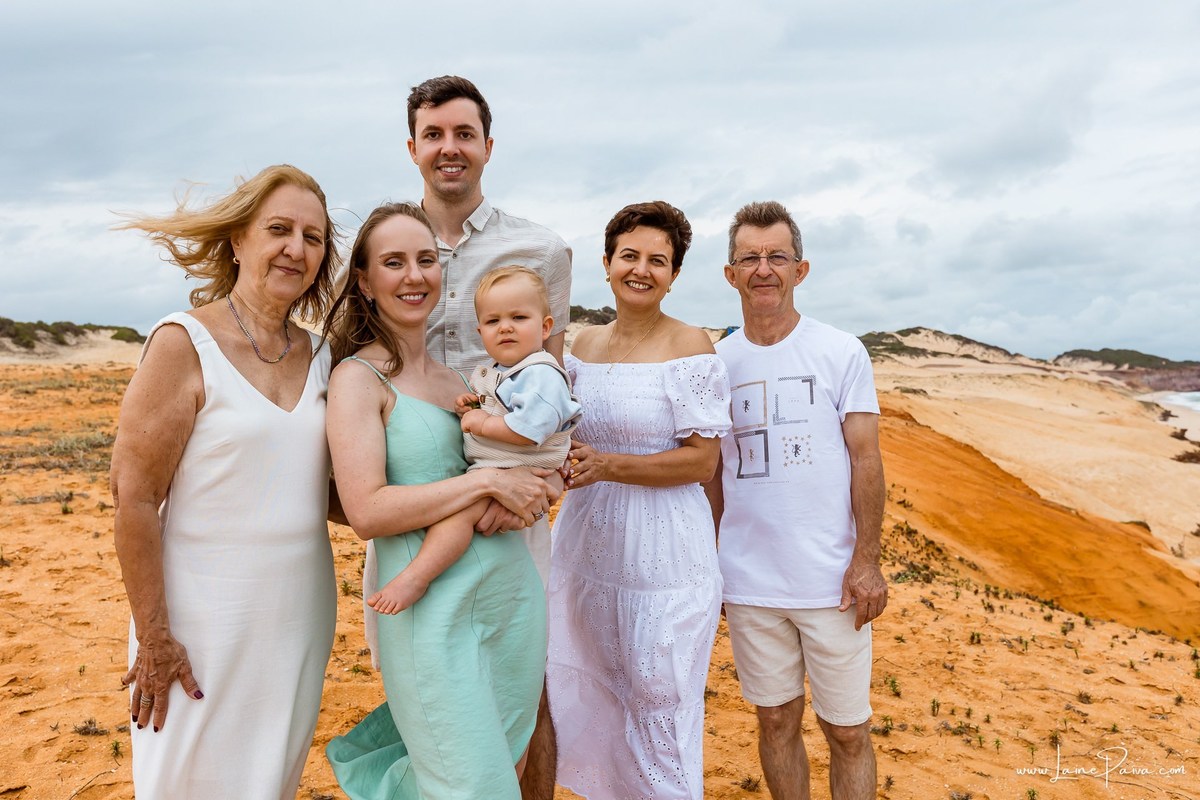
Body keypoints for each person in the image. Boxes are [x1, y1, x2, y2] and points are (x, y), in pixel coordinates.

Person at [110, 164, 341, 798]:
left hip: (297, 617)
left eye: (313, 237)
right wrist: (154, 636)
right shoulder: (183, 343)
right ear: (238, 239)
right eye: (279, 229)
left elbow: (334, 493)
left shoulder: (324, 357)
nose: (296, 248)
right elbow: (134, 500)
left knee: (269, 783)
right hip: (197, 622)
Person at [323, 203, 557, 799]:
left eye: (426, 260)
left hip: (510, 598)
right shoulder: (357, 379)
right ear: (364, 282)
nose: (414, 275)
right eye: (393, 262)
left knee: (506, 768)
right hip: (429, 612)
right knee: (468, 785)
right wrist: (484, 485)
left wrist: (542, 485)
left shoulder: (460, 383)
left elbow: (526, 465)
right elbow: (367, 512)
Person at [401, 74, 573, 799]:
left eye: (464, 134)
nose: (450, 148)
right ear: (412, 148)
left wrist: (547, 483)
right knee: (426, 695)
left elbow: (553, 380)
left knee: (523, 686)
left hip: (513, 502)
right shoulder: (385, 246)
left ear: (488, 147)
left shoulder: (542, 250)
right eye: (434, 134)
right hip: (414, 501)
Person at [547, 201, 731, 799]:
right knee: (594, 685)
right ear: (606, 264)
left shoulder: (691, 345)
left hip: (667, 550)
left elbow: (702, 462)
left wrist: (608, 465)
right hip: (588, 545)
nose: (641, 270)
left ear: (674, 274)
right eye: (629, 256)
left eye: (658, 261)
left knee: (659, 695)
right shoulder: (582, 346)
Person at [704, 200, 887, 800]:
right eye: (749, 258)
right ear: (730, 274)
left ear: (800, 270)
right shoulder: (716, 364)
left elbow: (866, 460)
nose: (763, 269)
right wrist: (711, 563)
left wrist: (867, 560)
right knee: (776, 721)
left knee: (848, 731)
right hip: (750, 582)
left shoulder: (841, 351)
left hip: (833, 584)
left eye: (777, 257)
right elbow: (711, 474)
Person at [367, 266, 580, 614]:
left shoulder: (541, 373)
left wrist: (482, 423)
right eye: (493, 321)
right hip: (506, 469)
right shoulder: (504, 371)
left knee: (459, 517)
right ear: (481, 332)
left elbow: (530, 429)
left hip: (523, 468)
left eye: (518, 317)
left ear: (545, 327)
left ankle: (417, 578)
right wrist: (474, 405)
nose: (505, 327)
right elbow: (504, 407)